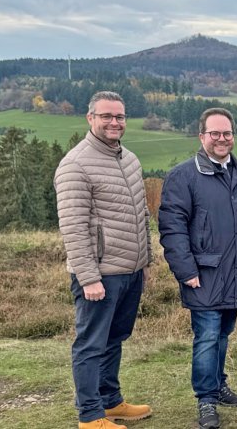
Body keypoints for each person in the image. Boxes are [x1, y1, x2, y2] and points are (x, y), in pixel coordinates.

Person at [158, 108, 237, 429]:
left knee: (222, 334)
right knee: (206, 336)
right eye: (214, 133)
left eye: (227, 133)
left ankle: (218, 386)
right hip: (203, 274)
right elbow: (172, 228)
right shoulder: (183, 176)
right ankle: (206, 399)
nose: (222, 139)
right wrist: (186, 270)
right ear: (201, 136)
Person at [54, 91, 152, 429]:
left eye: (119, 116)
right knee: (91, 344)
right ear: (90, 118)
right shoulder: (75, 165)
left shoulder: (130, 159)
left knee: (114, 339)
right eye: (106, 116)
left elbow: (141, 216)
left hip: (130, 270)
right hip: (100, 274)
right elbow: (73, 227)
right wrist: (88, 277)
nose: (114, 122)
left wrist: (145, 262)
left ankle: (111, 402)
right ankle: (90, 416)